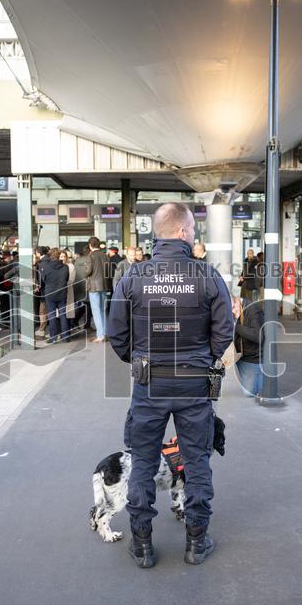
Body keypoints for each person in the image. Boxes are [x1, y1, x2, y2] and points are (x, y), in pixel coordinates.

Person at [107, 202, 234, 568]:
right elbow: (223, 331)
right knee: (197, 462)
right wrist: (202, 360)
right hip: (195, 384)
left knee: (143, 462)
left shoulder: (133, 277)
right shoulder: (207, 275)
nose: (193, 236)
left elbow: (117, 334)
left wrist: (141, 359)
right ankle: (196, 541)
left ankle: (143, 545)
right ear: (182, 232)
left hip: (150, 384)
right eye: (192, 231)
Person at [233, 297, 264, 397]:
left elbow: (258, 336)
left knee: (249, 394)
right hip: (239, 356)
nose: (232, 311)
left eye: (234, 307)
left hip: (251, 358)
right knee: (245, 393)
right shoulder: (232, 309)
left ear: (237, 300)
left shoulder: (252, 309)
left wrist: (235, 325)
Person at [40, 248, 71, 342]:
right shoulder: (65, 267)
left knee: (52, 315)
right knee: (63, 314)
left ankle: (53, 337)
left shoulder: (46, 267)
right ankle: (65, 337)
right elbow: (66, 279)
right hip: (62, 293)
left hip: (50, 293)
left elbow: (43, 280)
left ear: (51, 256)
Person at [84, 236, 111, 342]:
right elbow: (109, 271)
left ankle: (100, 335)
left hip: (94, 287)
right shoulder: (105, 256)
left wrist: (85, 273)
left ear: (90, 245)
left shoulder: (90, 256)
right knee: (103, 310)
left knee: (96, 311)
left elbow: (88, 271)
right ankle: (105, 333)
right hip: (104, 286)